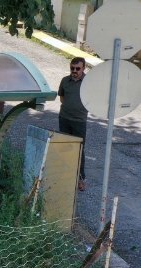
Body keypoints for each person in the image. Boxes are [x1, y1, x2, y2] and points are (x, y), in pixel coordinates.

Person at [58, 57, 89, 192]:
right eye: (72, 68)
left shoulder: (89, 82)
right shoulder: (65, 81)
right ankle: (65, 177)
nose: (74, 71)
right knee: (65, 148)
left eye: (77, 68)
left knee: (79, 150)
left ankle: (81, 180)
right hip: (64, 118)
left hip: (79, 121)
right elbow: (62, 97)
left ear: (84, 68)